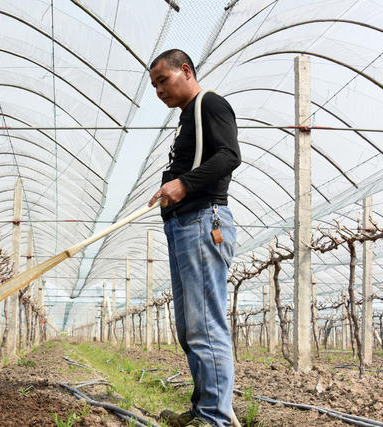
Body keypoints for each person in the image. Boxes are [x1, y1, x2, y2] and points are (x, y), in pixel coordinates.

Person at [148, 49, 241, 427]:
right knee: (190, 326)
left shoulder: (210, 104)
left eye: (162, 80)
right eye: (154, 85)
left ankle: (215, 418)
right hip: (184, 225)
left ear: (185, 71)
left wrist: (184, 184)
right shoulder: (187, 118)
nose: (158, 90)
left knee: (205, 324)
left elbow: (229, 155)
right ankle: (205, 408)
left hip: (205, 221)